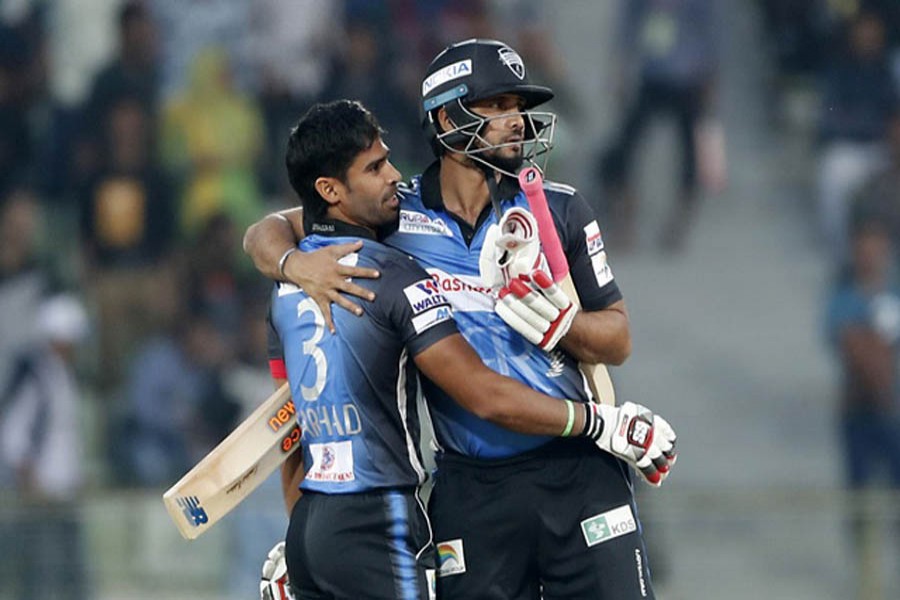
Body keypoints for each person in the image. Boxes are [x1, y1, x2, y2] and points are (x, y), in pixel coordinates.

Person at [246, 41, 675, 599]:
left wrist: (563, 327)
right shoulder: (393, 215)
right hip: (473, 488)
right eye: (497, 106)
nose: (516, 120)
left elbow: (617, 339)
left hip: (578, 471)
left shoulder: (559, 208)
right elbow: (264, 232)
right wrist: (296, 265)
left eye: (518, 106)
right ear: (448, 119)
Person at [0, 294, 91, 600]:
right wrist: (29, 480)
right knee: (40, 573)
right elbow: (13, 435)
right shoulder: (37, 377)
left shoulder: (61, 375)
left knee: (70, 573)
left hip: (64, 491)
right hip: (42, 493)